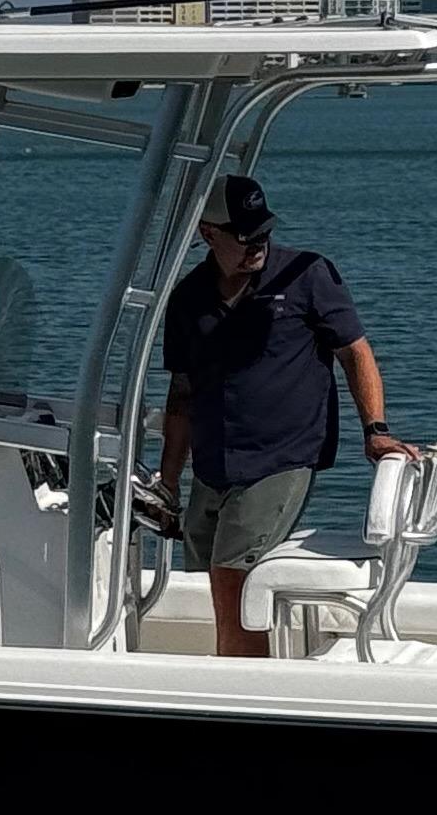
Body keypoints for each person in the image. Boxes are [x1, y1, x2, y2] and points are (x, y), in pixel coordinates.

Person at [153, 172, 414, 658]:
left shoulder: (307, 276)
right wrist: (168, 482)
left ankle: (241, 686)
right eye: (245, 235)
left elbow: (355, 352)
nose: (258, 244)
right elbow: (181, 394)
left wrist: (375, 430)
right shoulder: (187, 297)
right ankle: (237, 669)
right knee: (204, 572)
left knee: (234, 573)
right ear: (209, 234)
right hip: (212, 464)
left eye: (264, 232)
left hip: (281, 457)